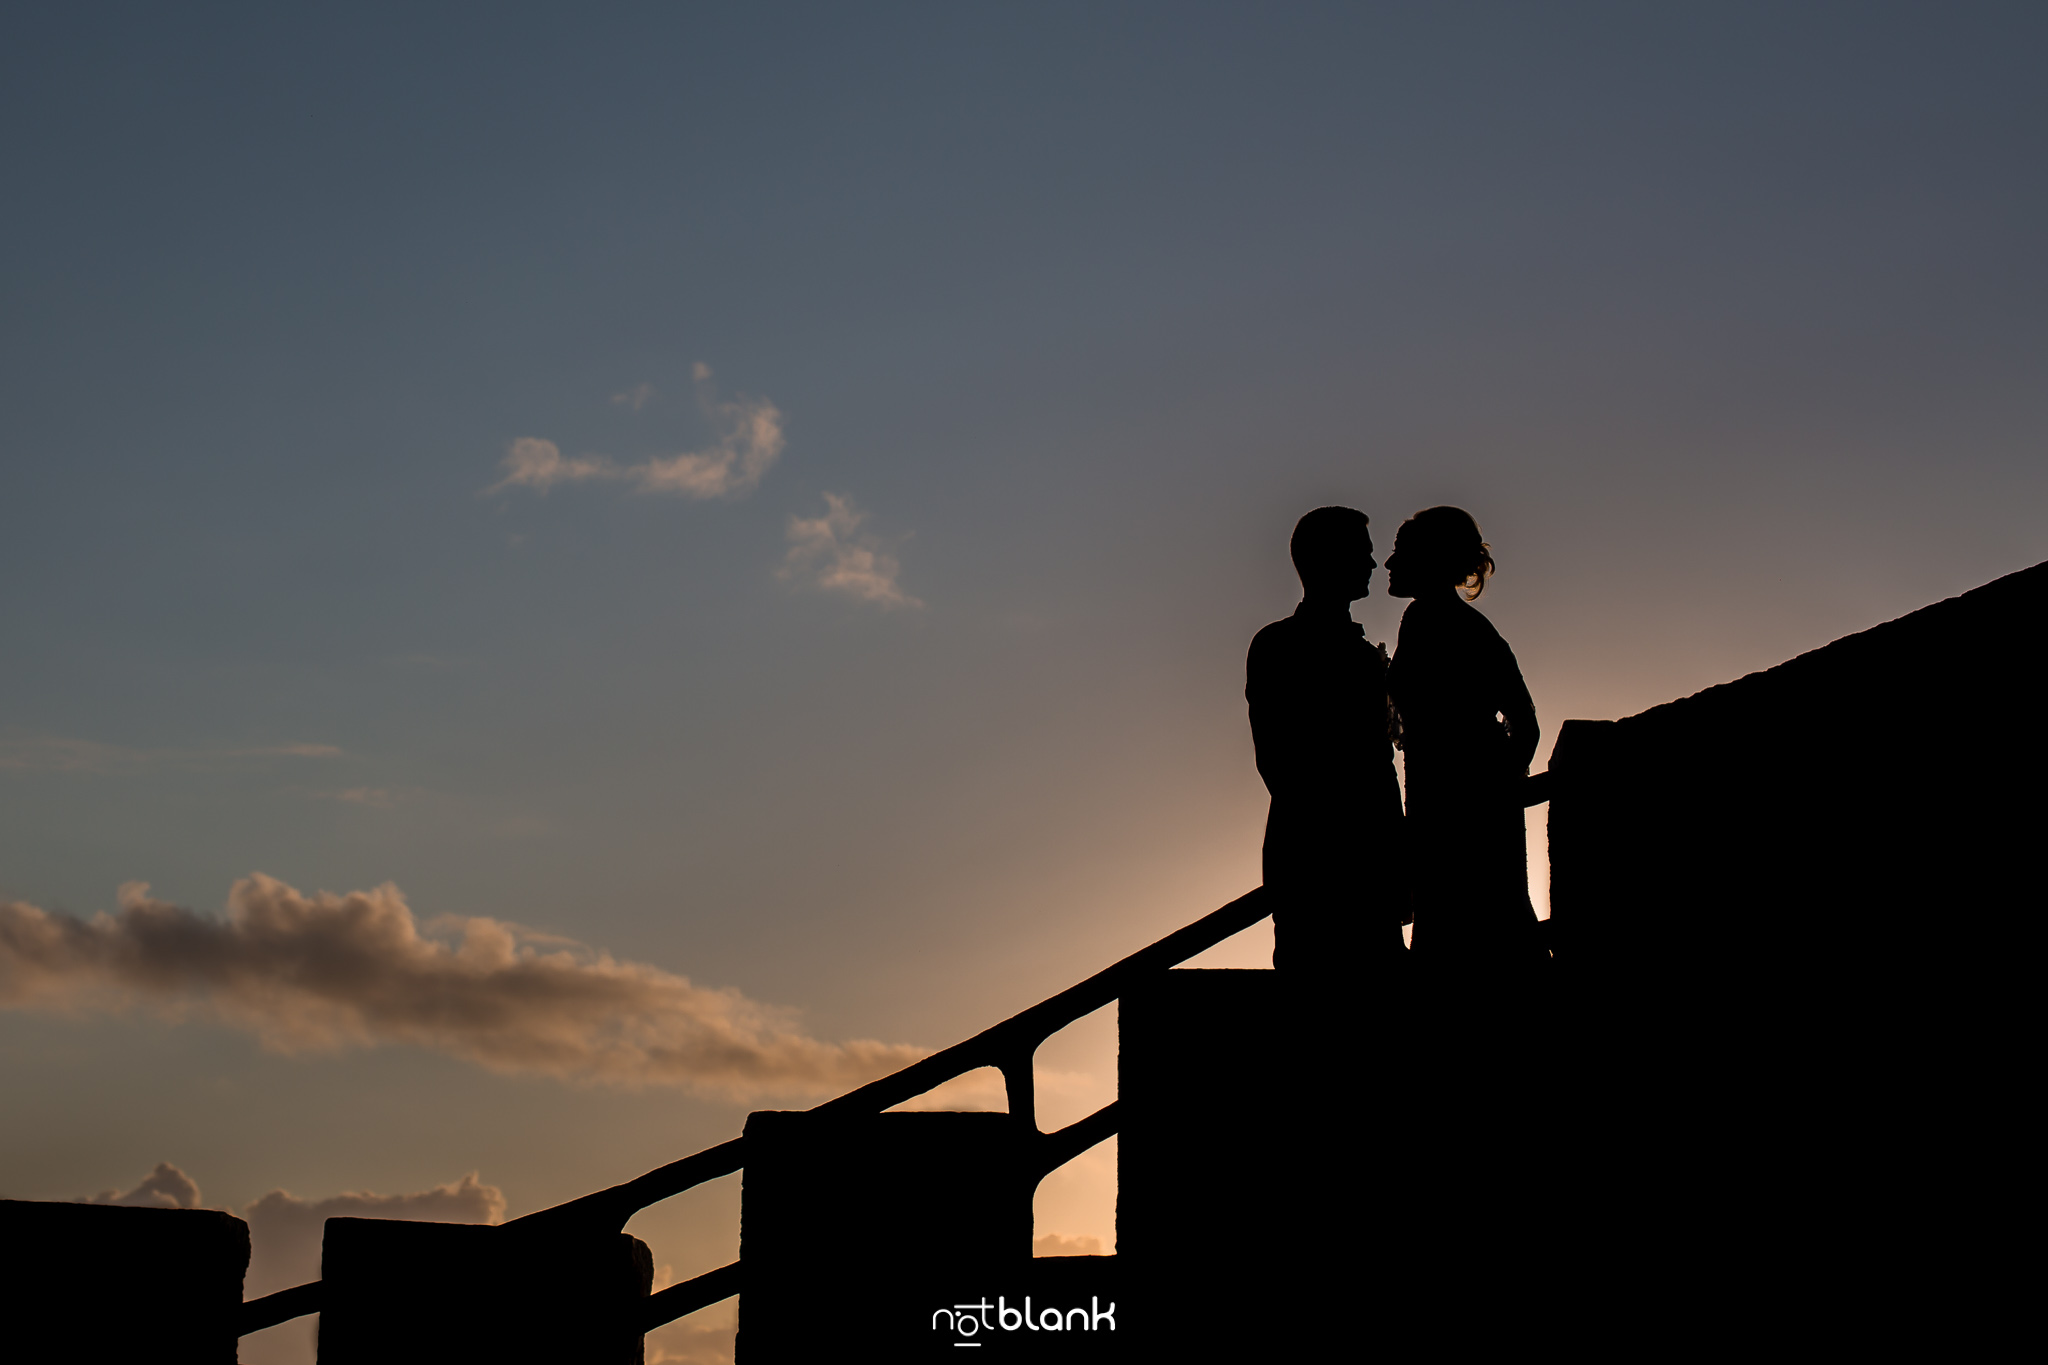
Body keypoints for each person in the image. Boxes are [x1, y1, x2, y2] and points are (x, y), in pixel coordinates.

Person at [1246, 506, 1406, 969]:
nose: (1374, 565)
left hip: (1359, 854)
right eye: (1363, 553)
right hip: (1321, 856)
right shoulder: (1279, 646)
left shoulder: (1351, 652)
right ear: (1329, 560)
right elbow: (1280, 762)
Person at [1385, 506, 1545, 959]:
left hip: (1462, 804)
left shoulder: (1459, 627)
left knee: (1473, 927)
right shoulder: (1423, 620)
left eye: (1401, 553)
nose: (1390, 564)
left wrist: (1490, 793)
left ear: (1431, 559)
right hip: (1437, 796)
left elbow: (1525, 722)